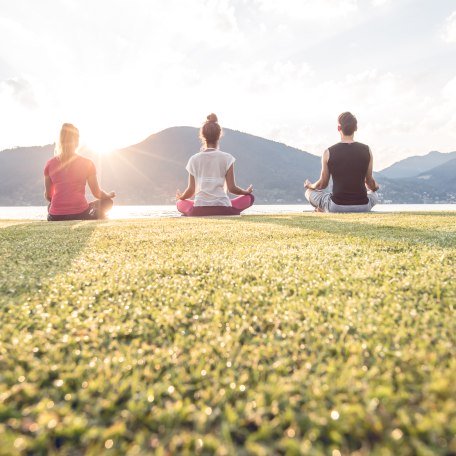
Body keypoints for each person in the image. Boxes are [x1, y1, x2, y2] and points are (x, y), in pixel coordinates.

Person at [176, 113, 254, 216]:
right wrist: (245, 192)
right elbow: (232, 188)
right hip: (223, 208)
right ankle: (233, 208)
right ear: (219, 136)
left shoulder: (193, 159)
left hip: (199, 209)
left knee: (179, 203)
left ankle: (187, 209)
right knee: (250, 198)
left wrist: (181, 197)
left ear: (203, 136)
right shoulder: (227, 158)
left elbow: (191, 190)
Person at [304, 112, 379, 213]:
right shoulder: (367, 150)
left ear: (339, 128)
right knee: (374, 194)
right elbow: (369, 183)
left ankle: (321, 209)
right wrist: (375, 187)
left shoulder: (328, 152)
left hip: (337, 206)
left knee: (308, 193)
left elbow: (322, 184)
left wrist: (310, 186)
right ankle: (322, 208)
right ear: (355, 128)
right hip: (363, 206)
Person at [44, 123, 115, 221]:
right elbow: (97, 193)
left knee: (50, 206)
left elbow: (49, 196)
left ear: (60, 141)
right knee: (108, 202)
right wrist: (108, 195)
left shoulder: (49, 164)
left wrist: (60, 204)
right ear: (77, 142)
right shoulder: (88, 163)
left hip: (55, 216)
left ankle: (57, 212)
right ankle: (95, 213)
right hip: (81, 213)